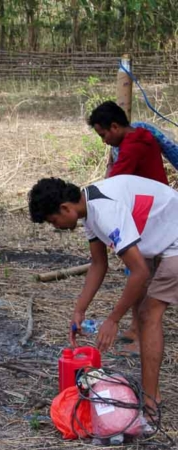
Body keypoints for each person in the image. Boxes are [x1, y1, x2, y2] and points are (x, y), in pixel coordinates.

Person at [28, 175, 178, 418]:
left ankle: (151, 403)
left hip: (174, 240)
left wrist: (113, 319)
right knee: (140, 305)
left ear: (65, 208)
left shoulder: (105, 210)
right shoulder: (88, 209)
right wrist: (79, 309)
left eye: (53, 220)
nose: (56, 227)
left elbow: (138, 271)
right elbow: (99, 263)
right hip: (160, 236)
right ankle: (151, 392)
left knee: (149, 314)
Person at [88, 101, 169, 348]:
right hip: (150, 212)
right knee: (140, 273)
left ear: (115, 126)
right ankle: (138, 326)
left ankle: (140, 330)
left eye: (103, 135)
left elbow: (111, 187)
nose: (103, 141)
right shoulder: (142, 137)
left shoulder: (133, 146)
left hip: (149, 217)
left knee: (140, 274)